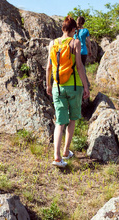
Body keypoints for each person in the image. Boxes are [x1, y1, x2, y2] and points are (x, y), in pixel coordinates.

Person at [46, 16, 90, 168]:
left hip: (57, 87)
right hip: (74, 86)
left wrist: (48, 85)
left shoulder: (53, 43)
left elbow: (49, 67)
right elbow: (79, 66)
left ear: (62, 28)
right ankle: (66, 151)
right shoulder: (75, 42)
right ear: (73, 30)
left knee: (59, 122)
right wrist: (86, 86)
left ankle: (57, 157)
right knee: (72, 119)